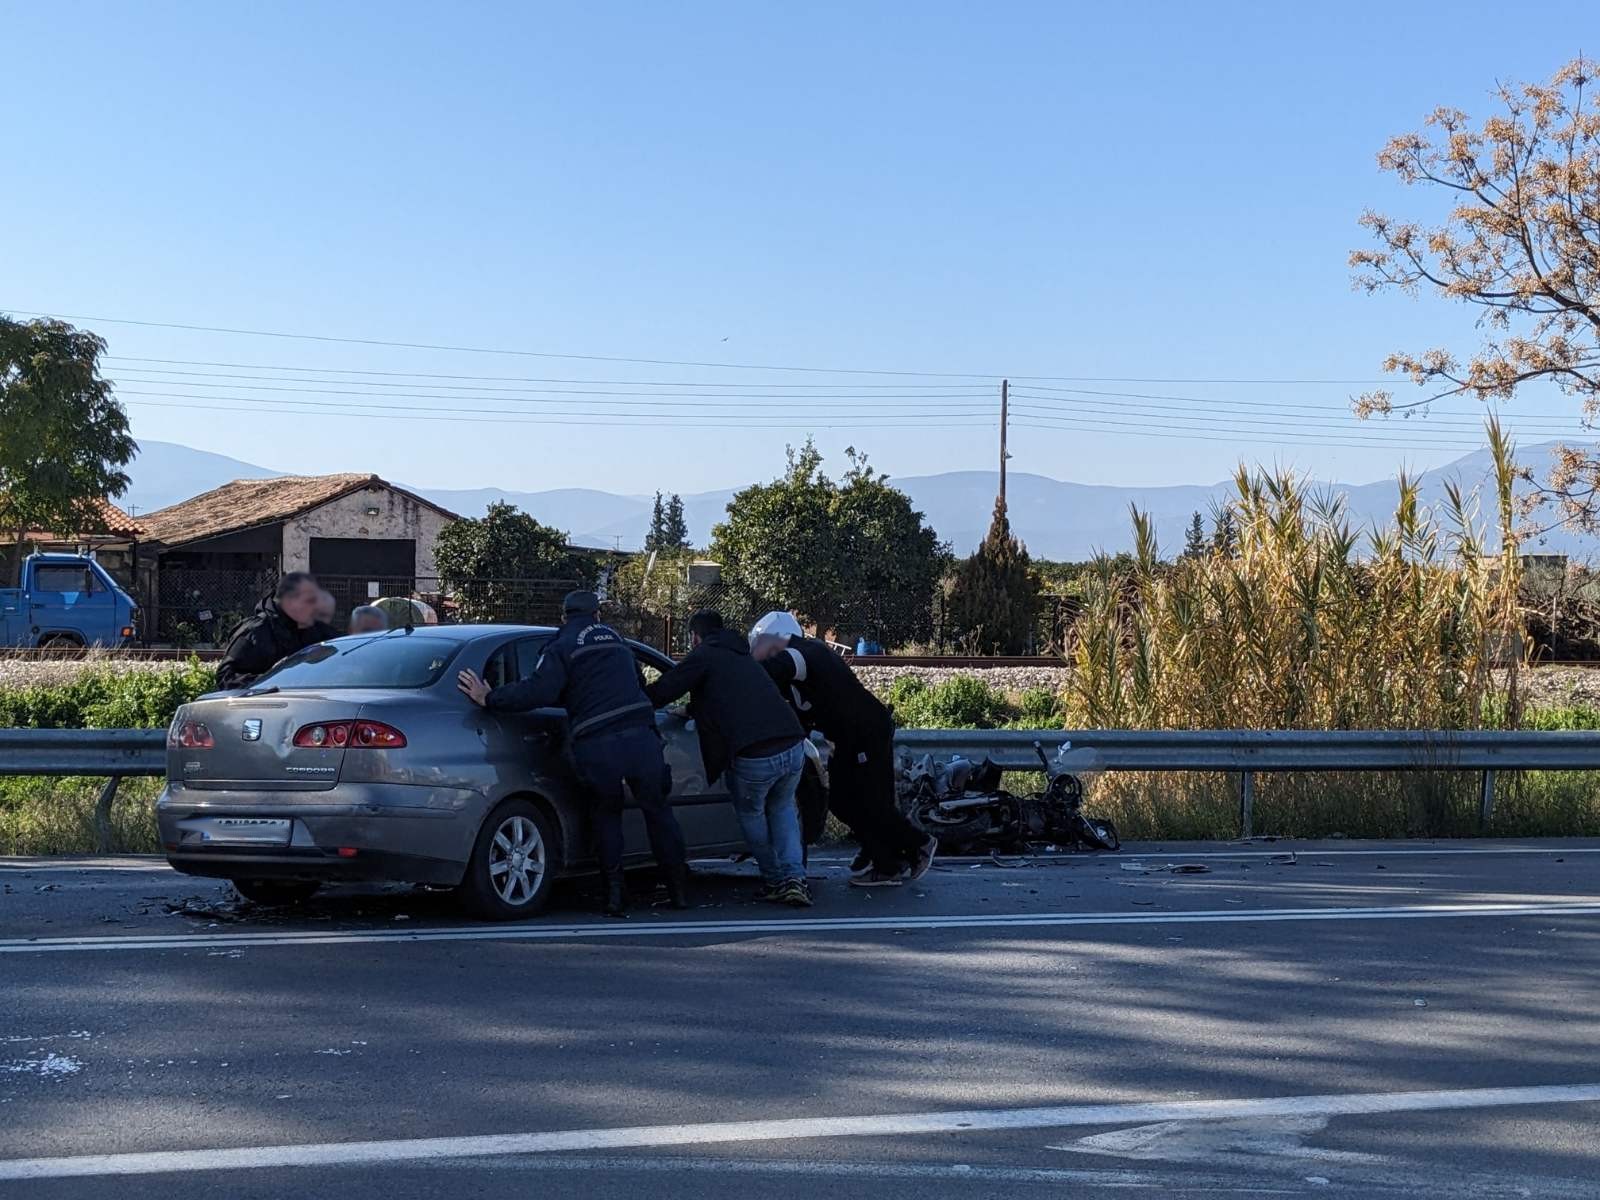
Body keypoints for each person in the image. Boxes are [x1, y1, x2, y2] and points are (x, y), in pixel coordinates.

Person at [456, 590, 689, 917]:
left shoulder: (561, 646)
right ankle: (678, 891)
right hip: (641, 738)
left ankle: (614, 898)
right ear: (597, 615)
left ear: (564, 617)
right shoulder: (618, 643)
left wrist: (490, 698)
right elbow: (637, 685)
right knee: (658, 811)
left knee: (607, 814)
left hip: (599, 743)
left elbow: (540, 690)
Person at [750, 611, 938, 888]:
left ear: (778, 641)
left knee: (870, 802)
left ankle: (915, 845)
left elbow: (779, 668)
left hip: (866, 733)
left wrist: (741, 672)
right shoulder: (796, 674)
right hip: (847, 738)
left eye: (761, 645)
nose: (758, 652)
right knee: (840, 801)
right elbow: (797, 718)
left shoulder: (804, 652)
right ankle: (881, 853)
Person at [646, 610, 812, 907]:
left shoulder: (703, 655)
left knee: (752, 815)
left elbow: (664, 690)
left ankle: (775, 881)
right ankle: (795, 879)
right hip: (793, 743)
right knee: (783, 810)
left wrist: (624, 699)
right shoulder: (741, 655)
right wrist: (695, 708)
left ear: (695, 637)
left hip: (754, 754)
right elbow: (733, 694)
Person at [215, 573, 339, 691]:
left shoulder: (315, 630)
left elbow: (344, 652)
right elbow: (226, 677)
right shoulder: (255, 631)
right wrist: (273, 681)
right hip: (262, 707)